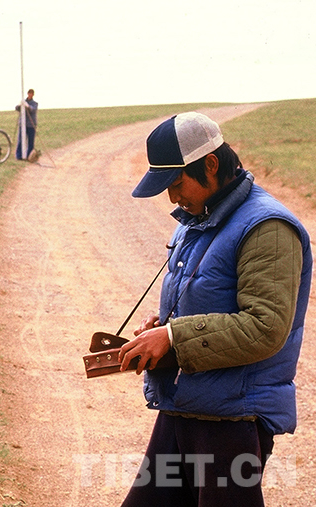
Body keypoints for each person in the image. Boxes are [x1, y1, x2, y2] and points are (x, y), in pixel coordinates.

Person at [117, 112, 312, 506]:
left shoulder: (268, 227)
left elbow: (265, 327)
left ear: (209, 164)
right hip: (186, 406)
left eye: (176, 184)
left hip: (232, 421)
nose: (172, 198)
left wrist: (173, 336)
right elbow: (208, 299)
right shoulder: (197, 215)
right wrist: (163, 329)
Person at [15, 88, 38, 160]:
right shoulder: (23, 102)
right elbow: (17, 108)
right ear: (28, 94)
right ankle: (19, 156)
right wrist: (20, 105)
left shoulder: (35, 103)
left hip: (31, 125)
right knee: (21, 140)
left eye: (32, 93)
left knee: (30, 141)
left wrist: (27, 106)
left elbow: (32, 109)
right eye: (29, 93)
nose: (30, 94)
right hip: (23, 124)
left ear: (33, 94)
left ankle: (29, 156)